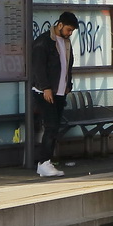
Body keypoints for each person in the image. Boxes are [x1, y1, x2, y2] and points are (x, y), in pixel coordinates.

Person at [30, 10, 79, 178]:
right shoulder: (44, 42)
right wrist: (46, 88)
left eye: (72, 31)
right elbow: (38, 67)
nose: (70, 33)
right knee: (51, 126)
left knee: (54, 126)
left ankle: (46, 162)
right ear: (59, 25)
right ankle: (43, 163)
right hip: (45, 92)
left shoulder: (66, 43)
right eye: (68, 29)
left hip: (59, 91)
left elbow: (68, 66)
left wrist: (68, 85)